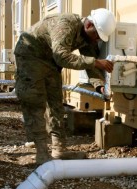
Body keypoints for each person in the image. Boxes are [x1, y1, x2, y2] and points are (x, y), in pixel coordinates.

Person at [14, 8, 116, 164]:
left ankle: (59, 150)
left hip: (50, 62)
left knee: (56, 104)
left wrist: (100, 86)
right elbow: (61, 55)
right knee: (35, 101)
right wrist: (95, 62)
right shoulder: (66, 24)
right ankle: (42, 153)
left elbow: (91, 64)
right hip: (30, 55)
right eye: (96, 35)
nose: (96, 40)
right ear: (88, 25)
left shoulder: (88, 37)